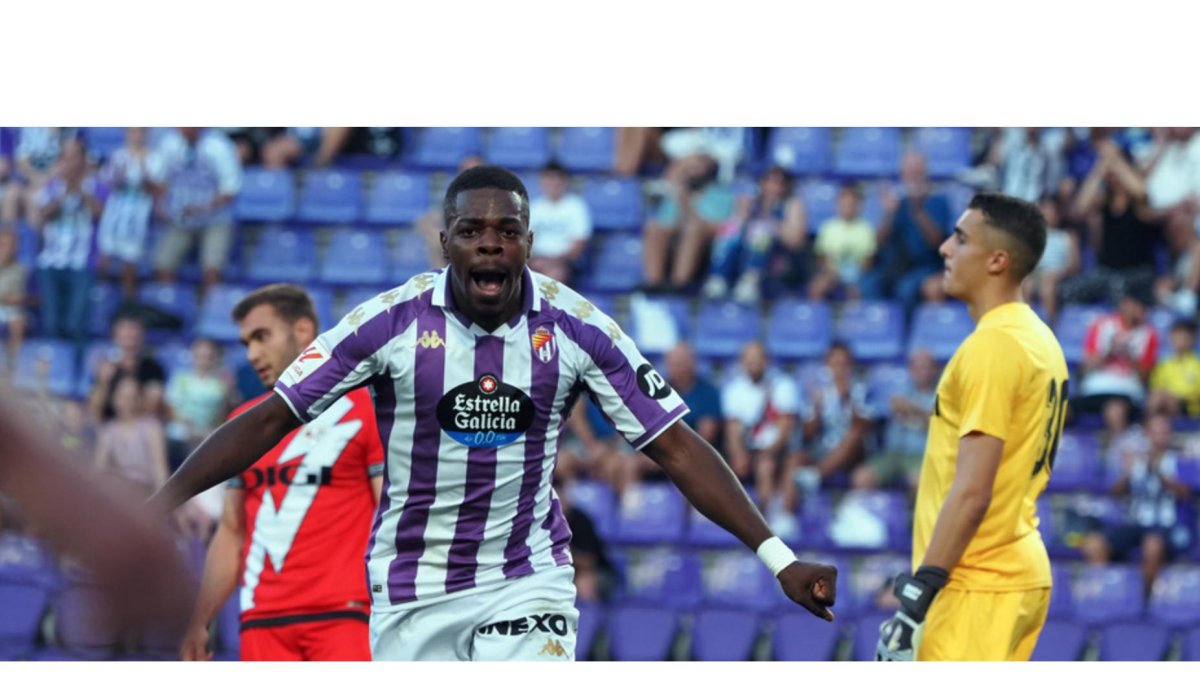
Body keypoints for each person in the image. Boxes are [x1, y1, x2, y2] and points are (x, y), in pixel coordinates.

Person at [151, 165, 837, 662]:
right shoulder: (389, 323)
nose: (488, 243)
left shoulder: (578, 327)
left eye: (505, 230)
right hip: (411, 587)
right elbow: (272, 418)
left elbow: (677, 447)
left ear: (528, 244)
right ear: (446, 241)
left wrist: (777, 556)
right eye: (471, 229)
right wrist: (162, 501)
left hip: (525, 577)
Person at [876, 193, 1067, 661]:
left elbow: (973, 490)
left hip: (976, 579)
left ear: (998, 260)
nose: (943, 248)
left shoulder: (993, 346)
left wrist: (917, 598)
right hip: (1010, 572)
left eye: (960, 239)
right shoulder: (1038, 337)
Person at [179, 284, 384, 661]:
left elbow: (390, 517)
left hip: (347, 614)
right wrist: (199, 618)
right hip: (261, 620)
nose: (253, 354)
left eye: (262, 336)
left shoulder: (364, 409)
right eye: (246, 344)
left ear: (303, 331)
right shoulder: (241, 424)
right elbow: (230, 531)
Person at [0, 382, 195, 642]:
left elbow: (159, 472)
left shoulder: (150, 428)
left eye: (130, 396)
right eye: (121, 396)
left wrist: (163, 505)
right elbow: (100, 470)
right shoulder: (109, 431)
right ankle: (64, 604)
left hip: (143, 497)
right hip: (120, 496)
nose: (126, 401)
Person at [1081, 413, 1192, 599]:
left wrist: (1158, 472)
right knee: (1093, 543)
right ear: (1146, 434)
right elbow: (1114, 493)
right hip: (1135, 524)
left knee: (1152, 545)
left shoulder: (1180, 460)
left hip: (1166, 526)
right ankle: (1103, 593)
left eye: (1164, 432)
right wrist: (1127, 472)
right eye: (1155, 432)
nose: (1159, 436)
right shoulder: (1134, 459)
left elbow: (1186, 493)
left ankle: (1144, 599)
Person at [153, 127, 242, 294]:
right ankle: (172, 307)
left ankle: (211, 311)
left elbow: (231, 191)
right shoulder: (170, 144)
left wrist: (201, 208)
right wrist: (160, 204)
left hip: (215, 219)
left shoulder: (219, 146)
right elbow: (159, 179)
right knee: (162, 265)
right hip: (181, 219)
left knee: (212, 270)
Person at [33, 137, 103, 345]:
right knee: (51, 323)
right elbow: (41, 216)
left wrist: (79, 189)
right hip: (50, 262)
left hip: (83, 264)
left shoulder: (96, 185)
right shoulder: (52, 186)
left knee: (76, 323)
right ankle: (56, 369)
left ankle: (76, 372)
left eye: (74, 156)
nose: (69, 161)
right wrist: (64, 193)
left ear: (83, 159)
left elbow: (99, 212)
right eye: (65, 157)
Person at [721, 340, 800, 508]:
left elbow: (785, 429)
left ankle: (768, 518)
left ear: (767, 360)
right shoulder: (734, 389)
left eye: (757, 359)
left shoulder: (784, 386)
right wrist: (738, 454)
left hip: (777, 449)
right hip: (748, 447)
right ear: (742, 362)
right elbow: (732, 428)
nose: (753, 364)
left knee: (766, 466)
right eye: (749, 360)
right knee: (720, 469)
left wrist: (766, 453)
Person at [852, 349, 939, 491]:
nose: (920, 371)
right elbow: (884, 407)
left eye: (925, 366)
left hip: (921, 456)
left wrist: (914, 410)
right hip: (891, 453)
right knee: (861, 478)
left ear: (934, 369)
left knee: (920, 481)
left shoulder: (941, 395)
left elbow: (939, 426)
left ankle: (913, 513)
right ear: (910, 369)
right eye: (916, 367)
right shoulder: (900, 389)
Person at [97, 127, 160, 298]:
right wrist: (119, 174)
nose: (136, 136)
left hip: (137, 215)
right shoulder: (118, 155)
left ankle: (128, 302)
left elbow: (156, 187)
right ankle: (100, 294)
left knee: (130, 261)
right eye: (133, 132)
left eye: (140, 132)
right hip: (116, 211)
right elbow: (106, 182)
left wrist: (143, 168)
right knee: (105, 255)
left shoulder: (154, 157)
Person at [527, 161, 592, 284]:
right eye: (549, 179)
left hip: (565, 263)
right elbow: (526, 242)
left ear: (565, 181)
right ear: (542, 181)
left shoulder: (576, 206)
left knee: (554, 274)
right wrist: (535, 259)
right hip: (537, 260)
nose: (553, 184)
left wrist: (552, 261)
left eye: (556, 179)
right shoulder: (535, 207)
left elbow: (578, 246)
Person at [1147, 319, 1200, 418]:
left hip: (1190, 407)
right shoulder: (1164, 365)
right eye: (1177, 335)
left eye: (1185, 336)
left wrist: (1175, 396)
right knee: (1156, 397)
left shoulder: (1197, 365)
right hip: (1165, 403)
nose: (1180, 339)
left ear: (1192, 339)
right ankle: (1152, 427)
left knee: (1167, 400)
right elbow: (1156, 387)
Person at [0, 227, 28, 372]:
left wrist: (20, 299)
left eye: (10, 245)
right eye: (2, 244)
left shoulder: (21, 268)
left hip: (11, 310)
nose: (5, 249)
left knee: (18, 322)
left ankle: (12, 365)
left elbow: (27, 297)